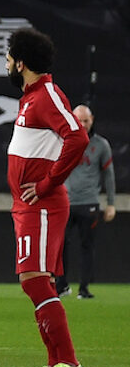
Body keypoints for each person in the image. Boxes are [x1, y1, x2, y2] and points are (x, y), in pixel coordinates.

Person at [5, 28, 88, 367]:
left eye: (8, 59)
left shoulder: (48, 95)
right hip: (28, 207)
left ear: (21, 63)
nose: (6, 65)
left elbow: (78, 136)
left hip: (42, 206)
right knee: (38, 281)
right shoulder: (31, 98)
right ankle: (56, 362)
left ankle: (67, 362)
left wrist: (47, 183)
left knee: (34, 280)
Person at [56, 104, 116, 299]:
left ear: (92, 120)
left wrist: (111, 203)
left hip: (89, 202)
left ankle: (84, 287)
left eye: (86, 121)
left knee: (87, 246)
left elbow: (109, 175)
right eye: (79, 120)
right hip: (64, 201)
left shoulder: (101, 145)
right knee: (60, 244)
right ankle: (62, 285)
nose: (83, 124)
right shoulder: (61, 141)